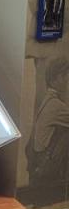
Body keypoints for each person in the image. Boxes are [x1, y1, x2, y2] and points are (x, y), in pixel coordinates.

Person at [30, 57, 69, 187]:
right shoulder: (55, 105)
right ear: (55, 80)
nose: (67, 81)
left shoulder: (48, 100)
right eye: (65, 77)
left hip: (41, 160)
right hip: (47, 163)